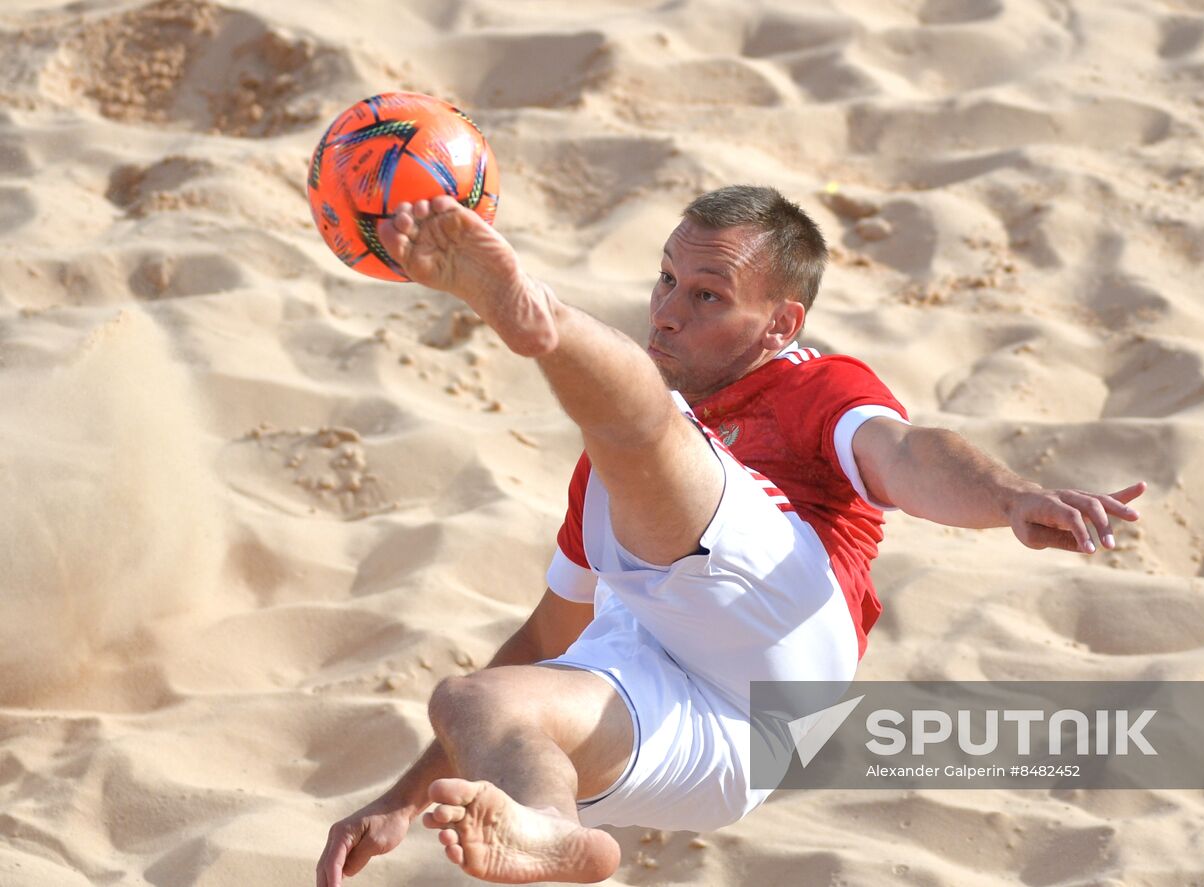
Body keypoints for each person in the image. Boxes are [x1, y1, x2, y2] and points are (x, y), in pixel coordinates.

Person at [315, 185, 1144, 886]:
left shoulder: (815, 384)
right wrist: (400, 798)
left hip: (783, 655)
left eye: (706, 295)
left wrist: (1012, 498)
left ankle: (542, 323)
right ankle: (548, 829)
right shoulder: (609, 470)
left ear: (780, 324)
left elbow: (905, 455)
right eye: (666, 280)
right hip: (718, 753)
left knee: (647, 419)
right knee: (473, 700)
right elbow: (546, 633)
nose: (668, 312)